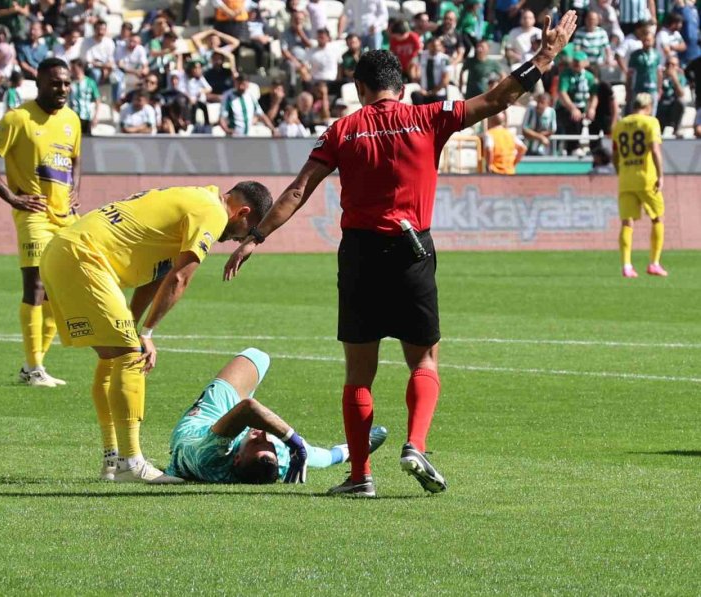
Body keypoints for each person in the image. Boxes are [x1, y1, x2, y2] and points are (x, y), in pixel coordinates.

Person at [223, 12, 579, 497]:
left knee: (359, 372)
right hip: (413, 251)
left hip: (360, 256)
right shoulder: (429, 117)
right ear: (401, 84)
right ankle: (415, 444)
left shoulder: (342, 131)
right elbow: (500, 98)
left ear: (359, 87)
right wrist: (544, 55)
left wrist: (254, 238)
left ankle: (360, 477)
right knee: (424, 359)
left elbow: (297, 190)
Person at [39, 182, 273, 484]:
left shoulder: (193, 199)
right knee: (128, 356)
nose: (236, 239)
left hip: (66, 251)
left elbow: (158, 274)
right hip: (82, 257)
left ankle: (114, 460)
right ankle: (131, 462)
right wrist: (147, 333)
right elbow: (180, 278)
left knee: (115, 355)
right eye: (244, 230)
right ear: (243, 212)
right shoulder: (212, 211)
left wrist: (136, 328)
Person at [0, 58, 82, 388]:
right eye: (54, 83)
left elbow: (76, 158)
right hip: (32, 213)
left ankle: (33, 366)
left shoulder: (72, 120)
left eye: (65, 83)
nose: (61, 89)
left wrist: (76, 188)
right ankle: (34, 369)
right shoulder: (18, 118)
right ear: (39, 84)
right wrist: (12, 198)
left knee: (59, 290)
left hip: (65, 215)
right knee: (35, 284)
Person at [166, 348, 389, 484]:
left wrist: (294, 441)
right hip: (232, 432)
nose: (262, 433)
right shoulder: (273, 463)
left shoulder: (208, 457)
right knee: (314, 457)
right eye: (269, 443)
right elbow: (322, 457)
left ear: (236, 458)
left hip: (201, 424)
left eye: (257, 439)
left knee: (256, 357)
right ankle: (354, 447)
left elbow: (248, 408)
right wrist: (353, 449)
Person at [612, 93, 667, 278]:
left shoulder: (620, 125)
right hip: (646, 178)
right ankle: (654, 263)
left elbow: (615, 153)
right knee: (657, 218)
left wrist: (620, 171)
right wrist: (660, 175)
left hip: (626, 179)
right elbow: (654, 150)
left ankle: (626, 266)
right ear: (648, 106)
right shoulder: (650, 122)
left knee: (627, 222)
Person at [627, 26, 663, 113]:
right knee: (637, 112)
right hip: (639, 88)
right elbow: (630, 74)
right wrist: (628, 90)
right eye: (645, 40)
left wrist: (659, 88)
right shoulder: (635, 55)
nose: (647, 42)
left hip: (652, 89)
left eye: (649, 40)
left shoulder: (657, 55)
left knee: (652, 113)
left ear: (653, 40)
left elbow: (659, 72)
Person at [69, 58, 102, 134]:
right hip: (72, 116)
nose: (72, 70)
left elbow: (97, 99)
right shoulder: (69, 83)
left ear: (81, 68)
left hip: (86, 116)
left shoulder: (90, 82)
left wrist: (96, 116)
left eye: (74, 68)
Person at [656, 55, 686, 132]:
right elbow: (655, 91)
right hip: (660, 105)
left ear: (678, 66)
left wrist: (674, 78)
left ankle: (676, 130)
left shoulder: (680, 77)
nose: (670, 66)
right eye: (668, 64)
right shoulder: (659, 75)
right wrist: (660, 78)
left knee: (681, 103)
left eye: (673, 65)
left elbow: (681, 94)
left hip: (673, 106)